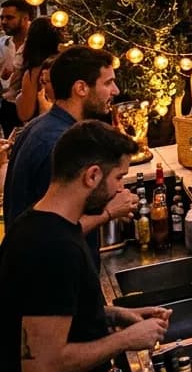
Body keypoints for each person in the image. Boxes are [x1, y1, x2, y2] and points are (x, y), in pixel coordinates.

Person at [0, 121, 171, 372]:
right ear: (92, 176)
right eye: (118, 178)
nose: (120, 190)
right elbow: (40, 367)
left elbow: (48, 309)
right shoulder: (53, 248)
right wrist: (126, 339)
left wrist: (112, 315)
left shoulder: (39, 223)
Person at [3, 46, 134, 267]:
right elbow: (50, 233)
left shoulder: (39, 126)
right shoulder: (58, 144)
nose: (116, 91)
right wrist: (109, 213)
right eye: (108, 82)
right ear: (81, 88)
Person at [16, 16, 61, 124]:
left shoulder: (35, 72)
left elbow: (25, 113)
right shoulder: (67, 64)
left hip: (45, 127)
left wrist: (19, 97)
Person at [0, 0, 35, 134]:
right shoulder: (2, 45)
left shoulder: (36, 45)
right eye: (2, 18)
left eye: (9, 18)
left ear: (25, 19)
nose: (3, 22)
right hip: (8, 107)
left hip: (32, 106)